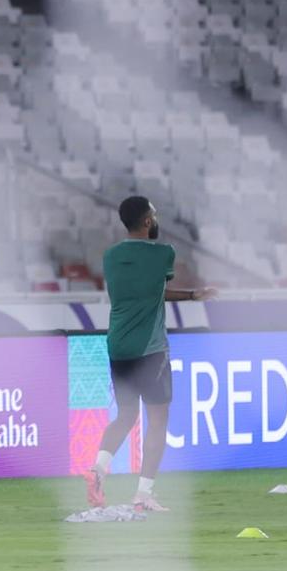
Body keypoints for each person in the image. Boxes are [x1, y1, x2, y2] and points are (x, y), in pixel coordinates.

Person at [86, 196, 216, 511]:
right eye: (154, 215)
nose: (156, 220)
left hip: (118, 346)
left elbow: (146, 292)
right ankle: (143, 494)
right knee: (158, 420)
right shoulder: (163, 254)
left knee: (126, 415)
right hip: (150, 349)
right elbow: (156, 286)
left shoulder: (111, 257)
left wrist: (192, 296)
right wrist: (193, 294)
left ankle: (98, 468)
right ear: (147, 221)